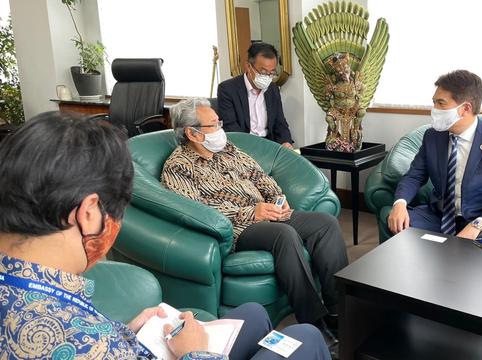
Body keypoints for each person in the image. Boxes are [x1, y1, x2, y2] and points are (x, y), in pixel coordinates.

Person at [0, 112, 330, 360]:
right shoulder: (84, 342)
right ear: (88, 214)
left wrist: (124, 332)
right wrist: (193, 353)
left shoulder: (42, 300)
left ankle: (337, 306)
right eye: (116, 211)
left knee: (254, 314)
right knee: (304, 337)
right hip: (244, 226)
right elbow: (203, 210)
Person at [162, 98, 348, 345]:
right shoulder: (178, 167)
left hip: (268, 213)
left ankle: (339, 311)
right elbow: (196, 211)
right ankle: (313, 321)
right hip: (239, 228)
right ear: (192, 133)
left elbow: (259, 175)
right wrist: (252, 213)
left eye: (219, 122)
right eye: (213, 125)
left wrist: (277, 199)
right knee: (284, 235)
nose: (220, 129)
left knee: (325, 224)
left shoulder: (228, 149)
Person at [387, 70, 482, 245]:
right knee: (398, 226)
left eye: (441, 103)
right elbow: (414, 175)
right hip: (440, 216)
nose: (434, 109)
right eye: (434, 102)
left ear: (465, 108)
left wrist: (477, 226)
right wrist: (400, 203)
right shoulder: (433, 136)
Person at [217, 42, 294, 149]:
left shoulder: (272, 89)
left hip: (270, 145)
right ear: (248, 66)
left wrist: (286, 142)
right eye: (263, 72)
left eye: (271, 72)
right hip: (244, 147)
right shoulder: (228, 89)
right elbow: (231, 127)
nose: (267, 77)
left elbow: (280, 122)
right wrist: (255, 150)